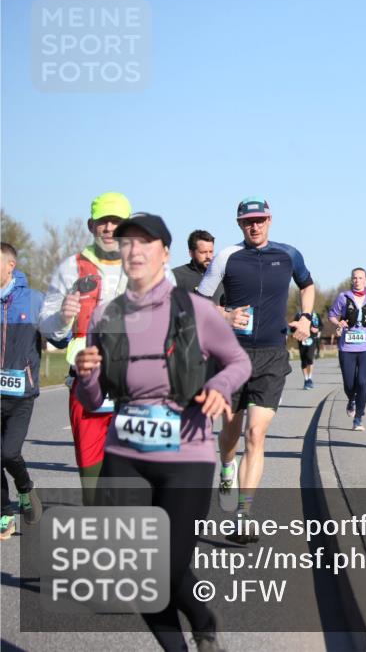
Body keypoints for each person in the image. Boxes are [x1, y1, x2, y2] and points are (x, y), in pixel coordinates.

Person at [74, 213, 250, 652]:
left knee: (167, 566)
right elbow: (95, 398)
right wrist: (87, 374)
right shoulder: (108, 315)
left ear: (165, 255)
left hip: (184, 455)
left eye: (145, 244)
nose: (134, 251)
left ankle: (202, 616)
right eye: (128, 244)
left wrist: (217, 386)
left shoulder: (197, 310)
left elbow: (238, 363)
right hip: (126, 452)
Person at [197, 197, 315, 541]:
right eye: (248, 221)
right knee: (230, 434)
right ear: (239, 224)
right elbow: (200, 301)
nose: (255, 226)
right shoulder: (226, 257)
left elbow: (307, 284)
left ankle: (244, 515)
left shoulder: (288, 254)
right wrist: (226, 315)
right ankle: (227, 467)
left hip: (271, 356)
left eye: (260, 220)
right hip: (230, 356)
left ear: (270, 220)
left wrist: (305, 317)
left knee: (256, 434)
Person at [39, 192, 167, 503]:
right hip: (87, 379)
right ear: (91, 225)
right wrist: (63, 315)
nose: (109, 228)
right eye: (103, 221)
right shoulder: (71, 267)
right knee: (91, 467)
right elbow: (46, 323)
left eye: (117, 222)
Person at [0, 243, 48, 539]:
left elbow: (59, 334)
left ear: (10, 266)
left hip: (21, 395)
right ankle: (4, 513)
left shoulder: (34, 301)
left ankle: (26, 489)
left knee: (8, 453)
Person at [329, 268, 366, 431]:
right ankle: (351, 399)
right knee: (349, 384)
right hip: (346, 347)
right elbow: (332, 315)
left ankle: (359, 418)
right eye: (354, 278)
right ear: (351, 280)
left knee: (362, 382)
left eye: (360, 278)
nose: (357, 280)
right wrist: (337, 323)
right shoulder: (343, 297)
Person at [172, 230, 223, 304]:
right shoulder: (175, 276)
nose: (208, 256)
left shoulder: (223, 276)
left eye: (211, 251)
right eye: (203, 252)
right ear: (191, 253)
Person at [299, 312, 323, 389]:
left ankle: (310, 378)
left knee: (310, 358)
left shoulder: (316, 315)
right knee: (303, 360)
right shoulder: (299, 315)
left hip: (312, 339)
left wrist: (317, 329)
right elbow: (293, 328)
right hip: (302, 339)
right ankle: (306, 380)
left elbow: (321, 326)